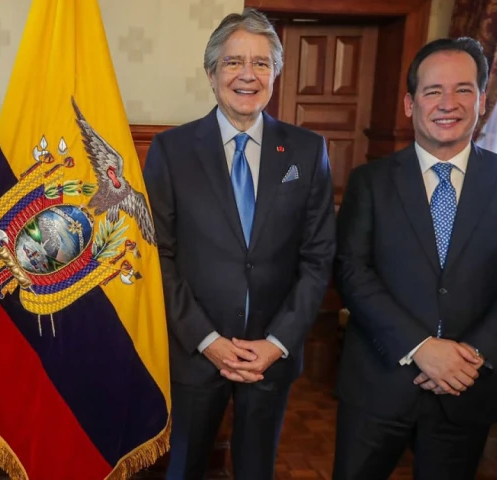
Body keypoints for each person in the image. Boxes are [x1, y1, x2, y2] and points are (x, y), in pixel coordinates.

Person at [143, 8, 335, 479]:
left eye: (262, 63)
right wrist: (207, 340)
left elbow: (318, 257)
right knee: (184, 468)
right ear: (211, 73)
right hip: (195, 352)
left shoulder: (308, 150)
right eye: (233, 62)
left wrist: (277, 342)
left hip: (272, 354)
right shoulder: (171, 151)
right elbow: (157, 255)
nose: (248, 75)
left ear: (276, 74)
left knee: (256, 470)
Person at [333, 37, 497, 480]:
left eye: (463, 89)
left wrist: (469, 356)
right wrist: (421, 348)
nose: (448, 103)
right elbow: (352, 272)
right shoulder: (370, 181)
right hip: (379, 383)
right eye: (433, 91)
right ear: (409, 103)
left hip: (467, 386)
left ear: (481, 98)